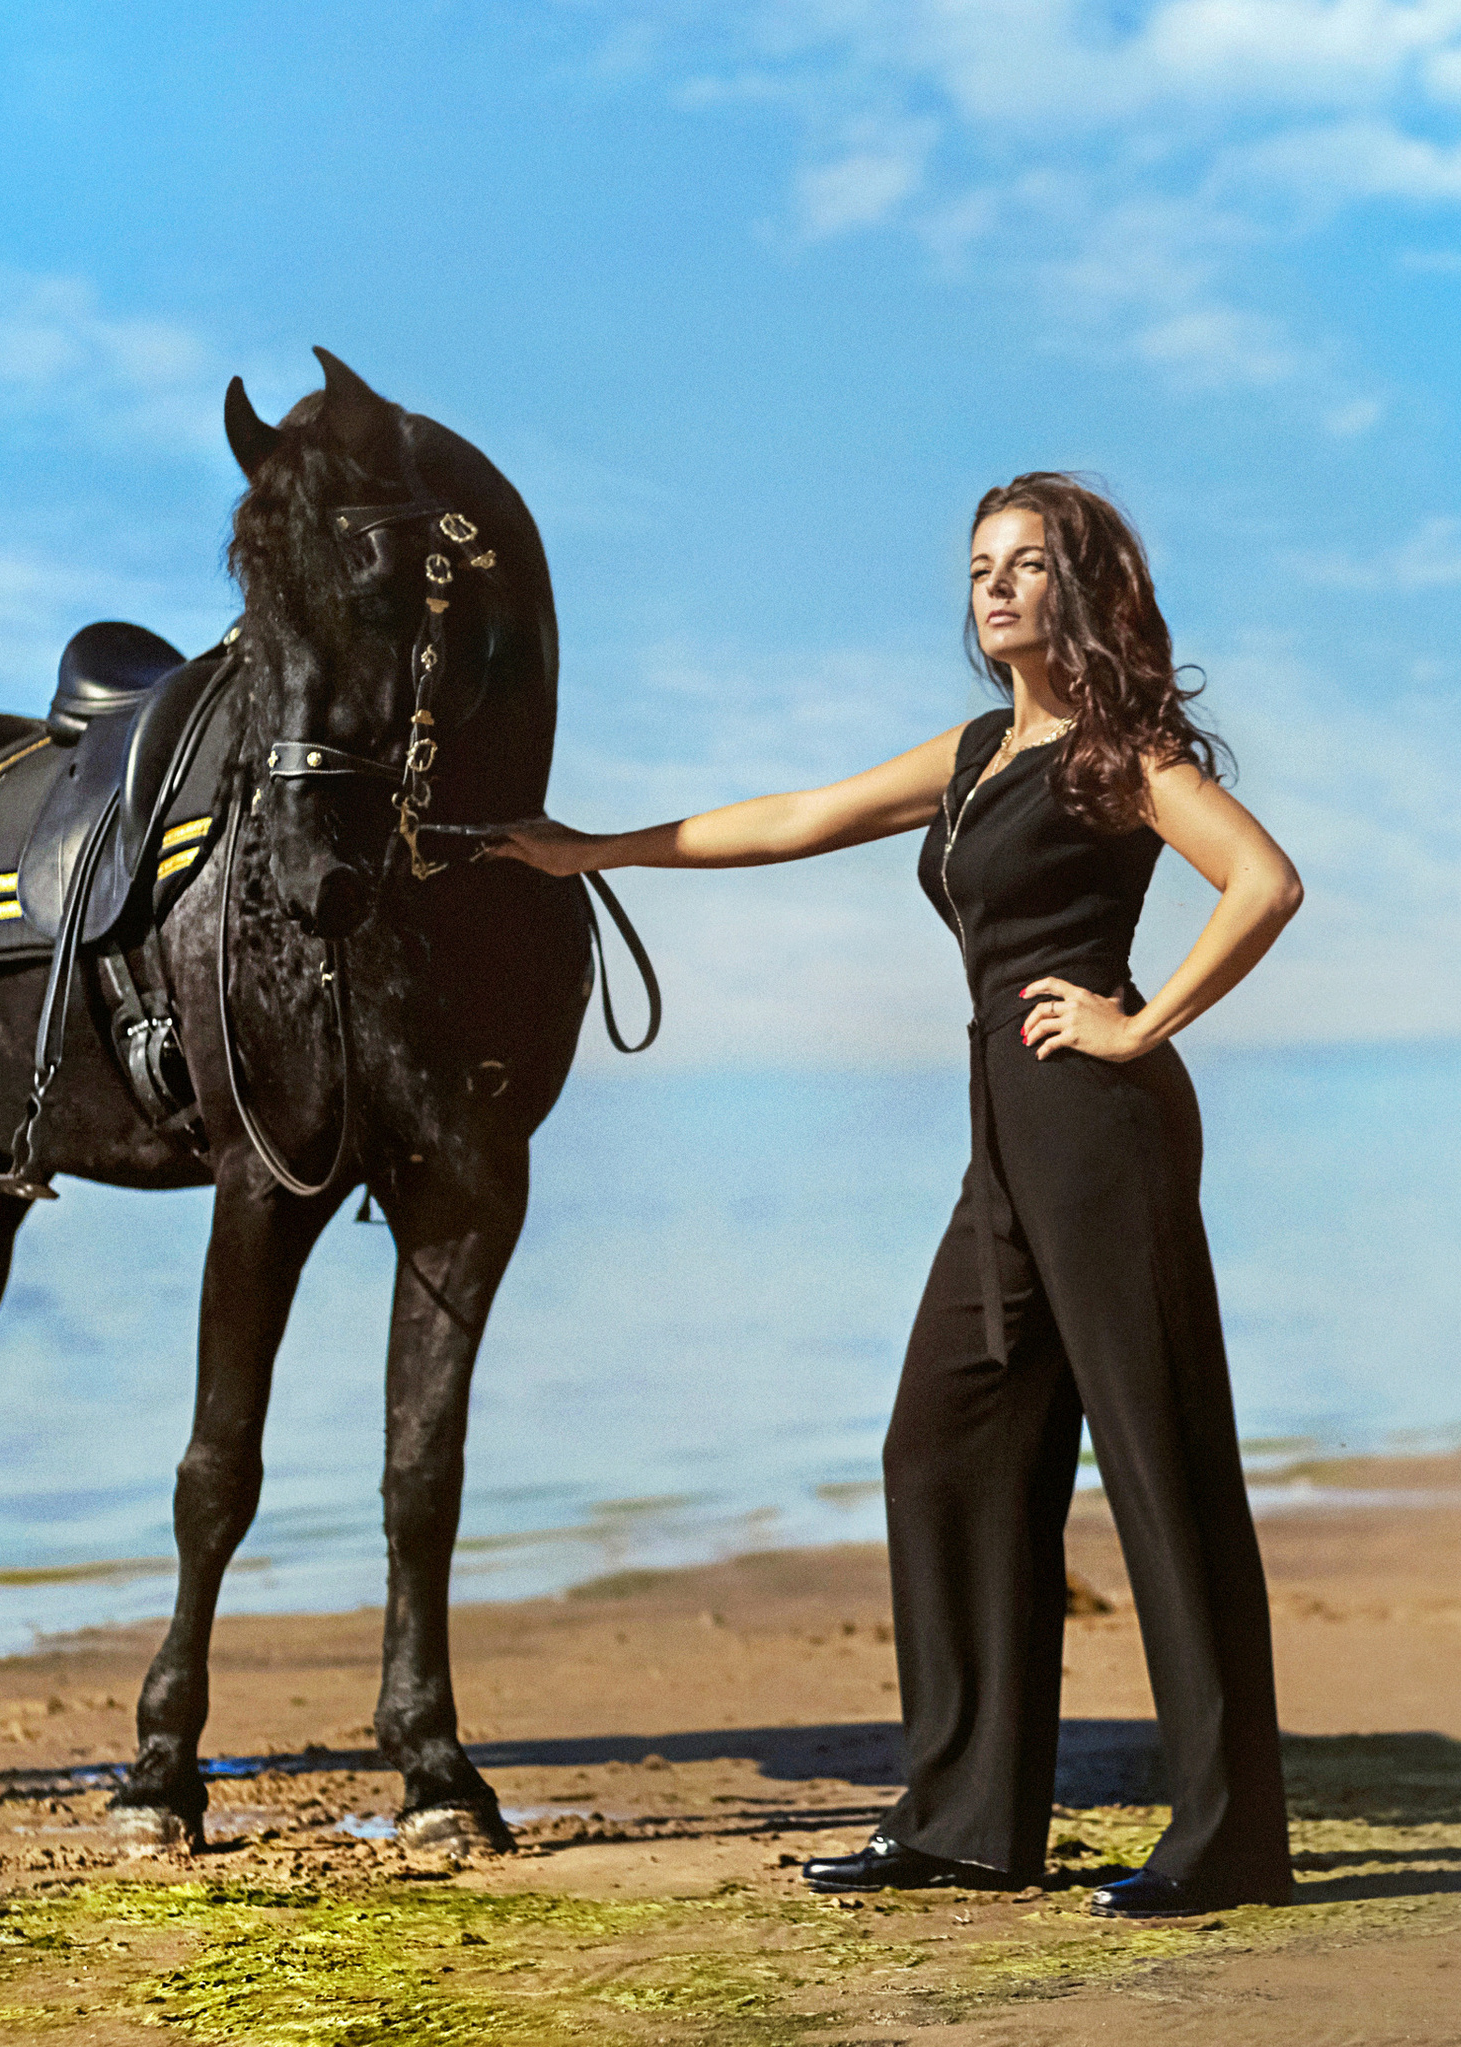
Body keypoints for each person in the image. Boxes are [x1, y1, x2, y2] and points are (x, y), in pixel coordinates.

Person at [492, 472, 1303, 1919]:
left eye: (1027, 564)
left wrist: (1137, 1022)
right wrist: (595, 851)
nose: (995, 586)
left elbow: (1263, 882)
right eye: (981, 565)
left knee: (1162, 1468)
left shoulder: (1122, 754)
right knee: (943, 1444)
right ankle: (971, 1820)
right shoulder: (980, 752)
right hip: (1007, 1138)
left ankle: (1232, 1839)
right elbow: (799, 816)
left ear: (1082, 587)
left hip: (1099, 1125)